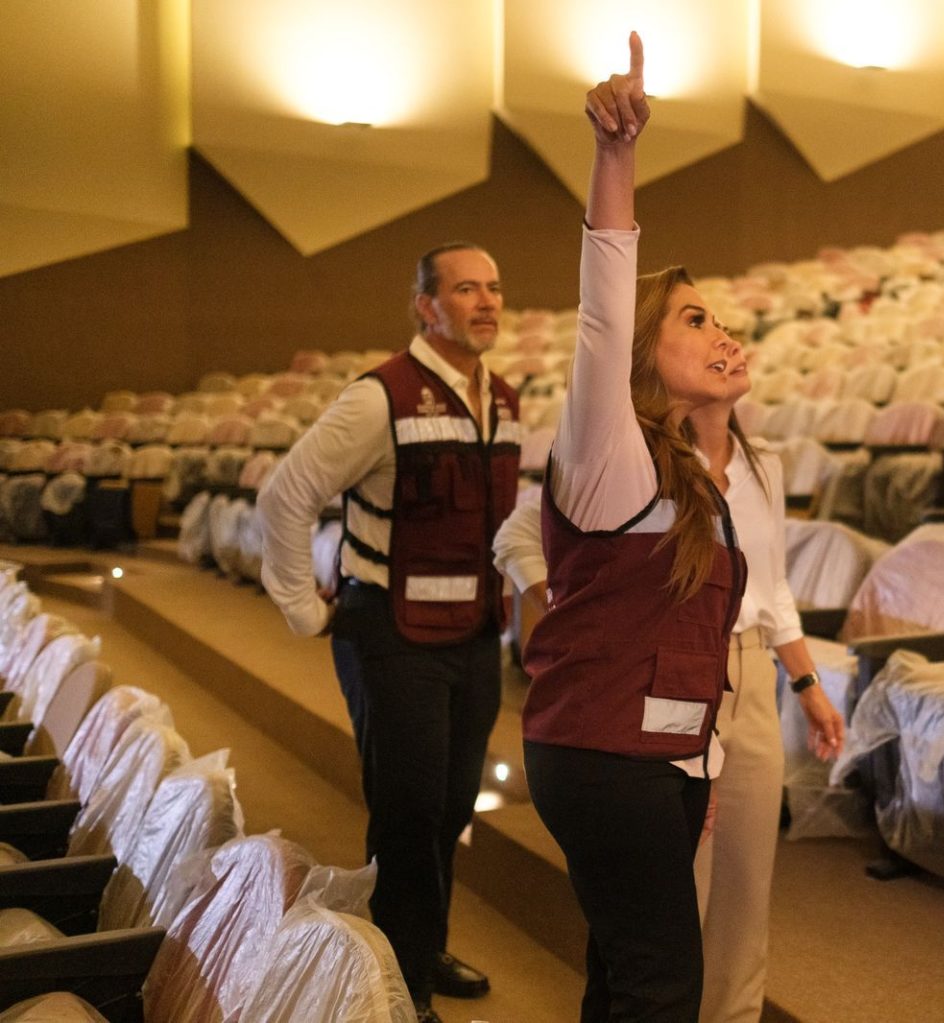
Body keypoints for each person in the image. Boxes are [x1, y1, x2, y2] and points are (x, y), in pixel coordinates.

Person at [516, 32, 842, 1023]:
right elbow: (606, 307)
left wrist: (800, 682)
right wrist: (617, 159)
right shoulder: (614, 453)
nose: (723, 331)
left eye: (721, 317)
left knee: (633, 972)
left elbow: (755, 595)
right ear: (649, 358)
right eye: (693, 319)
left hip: (676, 744)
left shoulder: (731, 472)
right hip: (609, 751)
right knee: (662, 979)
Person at [496, 399, 844, 1022]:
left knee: (745, 888)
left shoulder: (765, 462)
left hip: (751, 670)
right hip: (669, 676)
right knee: (680, 892)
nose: (727, 343)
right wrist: (559, 604)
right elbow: (518, 533)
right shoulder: (637, 461)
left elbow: (774, 584)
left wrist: (807, 682)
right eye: (700, 324)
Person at [258, 241, 519, 1023]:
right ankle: (400, 987)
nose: (486, 301)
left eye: (495, 288)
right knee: (406, 811)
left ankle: (418, 943)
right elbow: (286, 496)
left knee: (450, 806)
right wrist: (306, 608)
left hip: (473, 635)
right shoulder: (379, 397)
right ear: (425, 305)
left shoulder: (502, 397)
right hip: (389, 632)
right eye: (466, 288)